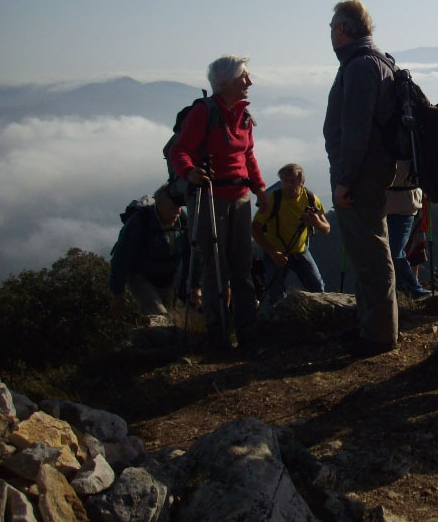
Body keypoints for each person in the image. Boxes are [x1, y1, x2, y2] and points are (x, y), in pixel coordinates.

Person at [170, 55, 267, 352]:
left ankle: (247, 336)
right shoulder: (204, 112)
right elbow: (180, 150)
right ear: (224, 82)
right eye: (244, 77)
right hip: (210, 198)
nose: (250, 82)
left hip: (239, 197)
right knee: (215, 270)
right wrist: (190, 172)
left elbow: (247, 155)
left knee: (242, 267)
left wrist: (259, 188)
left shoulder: (243, 115)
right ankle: (219, 337)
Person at [323, 0, 400, 355]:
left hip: (361, 176)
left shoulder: (359, 66)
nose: (330, 33)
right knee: (370, 249)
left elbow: (356, 131)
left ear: (342, 29)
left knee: (369, 253)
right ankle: (373, 326)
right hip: (371, 172)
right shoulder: (376, 61)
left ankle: (378, 335)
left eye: (331, 27)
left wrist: (344, 180)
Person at [251, 163, 330, 310]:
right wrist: (273, 252)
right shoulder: (272, 199)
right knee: (277, 297)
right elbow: (255, 228)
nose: (288, 185)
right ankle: (279, 322)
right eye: (285, 181)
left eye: (292, 181)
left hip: (299, 250)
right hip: (275, 253)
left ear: (301, 182)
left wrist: (316, 222)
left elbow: (326, 228)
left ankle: (318, 319)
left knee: (318, 288)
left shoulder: (310, 198)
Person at [109, 184, 189, 317]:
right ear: (159, 205)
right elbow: (121, 258)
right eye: (172, 208)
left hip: (171, 278)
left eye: (179, 208)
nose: (177, 212)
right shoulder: (139, 222)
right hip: (142, 278)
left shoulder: (182, 220)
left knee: (172, 318)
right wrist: (117, 295)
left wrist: (193, 286)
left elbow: (190, 253)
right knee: (160, 317)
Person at [385, 160, 431, 299]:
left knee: (395, 252)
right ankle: (401, 291)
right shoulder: (409, 148)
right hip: (387, 205)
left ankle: (412, 290)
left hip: (403, 206)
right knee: (389, 252)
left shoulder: (409, 150)